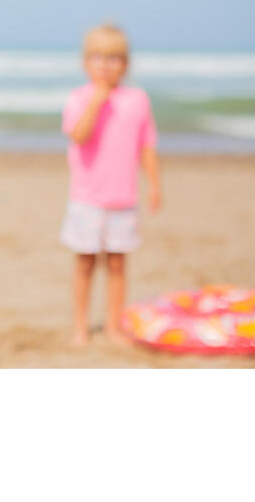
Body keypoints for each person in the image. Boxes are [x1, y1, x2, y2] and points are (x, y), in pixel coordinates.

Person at [60, 23, 161, 346]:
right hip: (87, 199)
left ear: (126, 64)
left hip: (123, 199)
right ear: (85, 62)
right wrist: (96, 102)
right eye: (98, 57)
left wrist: (155, 185)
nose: (105, 65)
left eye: (114, 58)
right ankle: (80, 326)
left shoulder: (137, 100)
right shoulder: (79, 98)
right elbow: (78, 134)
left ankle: (114, 325)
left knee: (117, 266)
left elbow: (147, 145)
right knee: (85, 265)